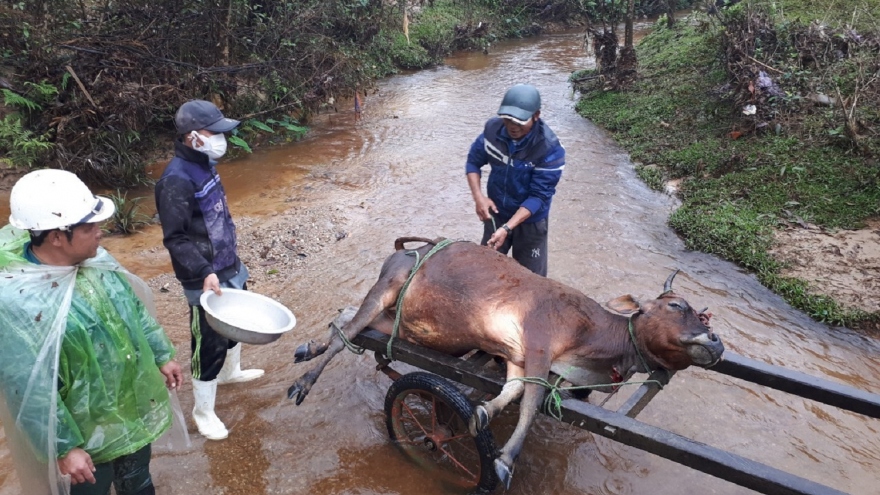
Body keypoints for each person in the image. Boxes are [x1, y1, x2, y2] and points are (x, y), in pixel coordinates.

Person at [0, 169, 184, 495]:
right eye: (89, 227)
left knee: (139, 483)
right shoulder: (17, 302)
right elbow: (28, 388)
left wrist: (161, 353)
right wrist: (63, 447)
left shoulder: (95, 260)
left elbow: (132, 310)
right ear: (56, 236)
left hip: (129, 407)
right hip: (82, 434)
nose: (101, 233)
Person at [155, 99, 264, 441]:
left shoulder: (205, 163)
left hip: (226, 264)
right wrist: (203, 270)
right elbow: (175, 238)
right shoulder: (174, 180)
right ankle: (203, 411)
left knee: (237, 323)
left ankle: (231, 373)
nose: (220, 138)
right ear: (192, 137)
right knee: (209, 342)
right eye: (211, 133)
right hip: (203, 275)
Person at [465, 84, 566, 277]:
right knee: (485, 272)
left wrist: (507, 228)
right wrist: (479, 198)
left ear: (536, 115)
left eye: (520, 120)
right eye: (508, 118)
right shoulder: (493, 130)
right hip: (496, 214)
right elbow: (473, 162)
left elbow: (538, 197)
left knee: (530, 281)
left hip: (530, 223)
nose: (512, 126)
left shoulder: (550, 149)